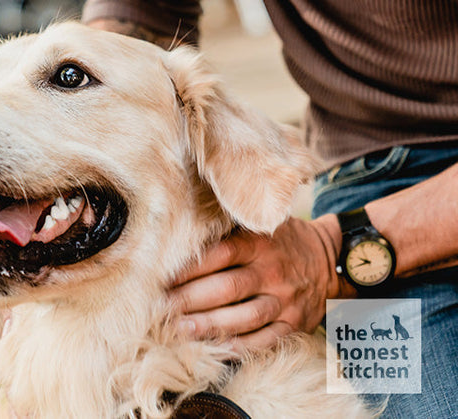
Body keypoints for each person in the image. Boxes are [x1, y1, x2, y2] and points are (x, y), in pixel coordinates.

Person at [82, 1, 458, 417]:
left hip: (356, 237)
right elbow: (139, 16)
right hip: (372, 179)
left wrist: (327, 256)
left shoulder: (332, 255)